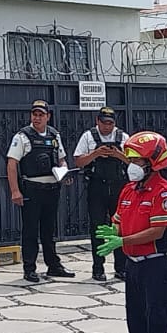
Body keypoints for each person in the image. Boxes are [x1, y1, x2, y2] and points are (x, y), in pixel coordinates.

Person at [95, 130, 167, 333]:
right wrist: (113, 233)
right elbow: (118, 220)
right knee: (136, 319)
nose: (132, 166)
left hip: (156, 264)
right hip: (133, 265)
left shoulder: (164, 193)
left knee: (157, 318)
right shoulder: (128, 190)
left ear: (153, 163)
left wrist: (124, 241)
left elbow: (158, 232)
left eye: (138, 161)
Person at [7, 99, 74, 284]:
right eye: (34, 114)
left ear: (48, 117)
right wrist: (15, 191)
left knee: (49, 230)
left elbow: (61, 159)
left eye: (41, 115)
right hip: (32, 188)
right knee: (30, 231)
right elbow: (12, 165)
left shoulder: (54, 135)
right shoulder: (22, 136)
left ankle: (54, 265)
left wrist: (64, 172)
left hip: (52, 188)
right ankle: (29, 269)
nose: (37, 118)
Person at [74, 106, 129, 282]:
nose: (107, 127)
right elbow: (79, 161)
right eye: (104, 123)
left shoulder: (123, 137)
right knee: (98, 228)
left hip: (119, 187)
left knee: (120, 227)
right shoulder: (89, 136)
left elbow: (133, 162)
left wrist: (117, 154)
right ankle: (98, 267)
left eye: (110, 123)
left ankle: (121, 267)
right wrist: (96, 153)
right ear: (98, 121)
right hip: (97, 187)